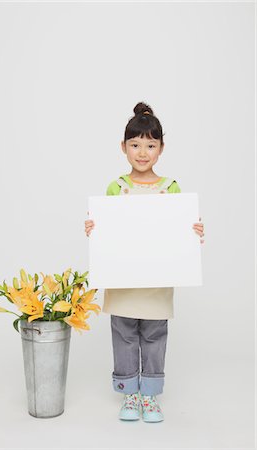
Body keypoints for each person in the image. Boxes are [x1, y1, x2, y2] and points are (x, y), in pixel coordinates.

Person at [84, 102, 205, 423]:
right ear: (123, 147)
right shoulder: (116, 187)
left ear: (161, 148)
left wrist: (194, 231)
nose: (142, 152)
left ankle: (150, 396)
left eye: (150, 145)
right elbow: (107, 230)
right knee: (123, 334)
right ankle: (129, 393)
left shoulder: (171, 188)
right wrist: (93, 229)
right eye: (135, 145)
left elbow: (182, 231)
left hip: (157, 281)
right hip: (123, 279)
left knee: (154, 335)